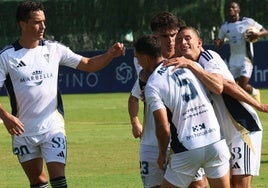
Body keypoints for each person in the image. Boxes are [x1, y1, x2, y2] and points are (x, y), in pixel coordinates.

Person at [0, 1, 125, 188]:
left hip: (52, 127)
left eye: (44, 21)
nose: (43, 26)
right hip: (23, 131)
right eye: (37, 22)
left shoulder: (54, 49)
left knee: (59, 181)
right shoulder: (7, 56)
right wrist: (6, 117)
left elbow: (89, 65)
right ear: (22, 24)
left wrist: (109, 55)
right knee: (38, 182)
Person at [168, 26, 264, 188]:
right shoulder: (186, 67)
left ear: (199, 43)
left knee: (239, 185)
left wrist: (259, 105)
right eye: (178, 40)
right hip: (218, 137)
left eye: (187, 38)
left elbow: (221, 85)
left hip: (242, 129)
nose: (183, 42)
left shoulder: (208, 57)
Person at [134, 34, 231, 188]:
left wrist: (161, 154)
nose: (138, 62)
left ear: (145, 58)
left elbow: (163, 127)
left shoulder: (153, 84)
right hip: (215, 141)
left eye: (137, 58)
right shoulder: (189, 66)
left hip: (187, 147)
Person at [128, 11, 208, 188]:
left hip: (186, 139)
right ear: (154, 37)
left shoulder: (188, 58)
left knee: (198, 186)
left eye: (173, 35)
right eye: (164, 36)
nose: (171, 41)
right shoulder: (144, 60)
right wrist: (135, 121)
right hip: (152, 141)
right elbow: (135, 94)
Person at [214, 1, 268, 103]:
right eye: (229, 8)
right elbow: (219, 41)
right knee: (233, 86)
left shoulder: (248, 22)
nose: (231, 9)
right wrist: (217, 43)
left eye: (234, 7)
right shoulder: (224, 27)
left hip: (246, 58)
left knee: (242, 85)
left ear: (238, 10)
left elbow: (265, 31)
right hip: (233, 59)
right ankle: (252, 94)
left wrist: (258, 35)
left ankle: (254, 94)